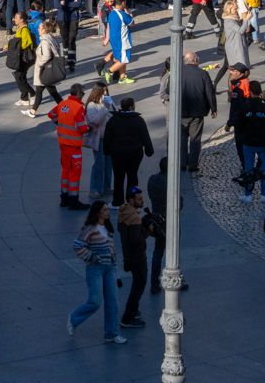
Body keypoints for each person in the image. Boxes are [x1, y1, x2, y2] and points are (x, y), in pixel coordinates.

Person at [67, 201, 125, 344]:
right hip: (95, 269)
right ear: (98, 212)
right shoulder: (90, 229)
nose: (107, 212)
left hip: (109, 269)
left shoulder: (108, 228)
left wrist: (116, 272)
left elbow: (113, 253)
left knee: (113, 302)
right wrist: (92, 257)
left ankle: (111, 334)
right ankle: (73, 319)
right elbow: (77, 245)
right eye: (105, 210)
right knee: (95, 301)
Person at [102, 97, 154, 208]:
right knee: (133, 177)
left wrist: (106, 150)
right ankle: (133, 200)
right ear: (131, 106)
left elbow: (107, 138)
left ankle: (118, 201)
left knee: (118, 178)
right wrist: (149, 150)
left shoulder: (113, 120)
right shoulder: (138, 120)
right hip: (134, 154)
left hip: (117, 154)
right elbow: (145, 137)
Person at [116, 186, 150, 328]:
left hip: (128, 256)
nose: (142, 200)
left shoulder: (124, 212)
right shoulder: (135, 218)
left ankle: (134, 310)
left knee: (137, 284)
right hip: (137, 257)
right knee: (139, 285)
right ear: (131, 200)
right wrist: (147, 231)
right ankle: (128, 316)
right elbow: (137, 240)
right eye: (139, 199)